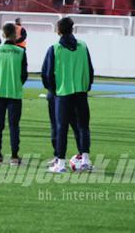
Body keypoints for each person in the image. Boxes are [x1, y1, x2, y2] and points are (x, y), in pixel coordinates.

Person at [41, 17, 94, 173]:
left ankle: (61, 163)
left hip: (63, 94)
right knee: (83, 126)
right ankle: (85, 160)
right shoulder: (83, 46)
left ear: (59, 30)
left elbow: (47, 74)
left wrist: (54, 90)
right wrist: (86, 86)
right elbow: (90, 70)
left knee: (61, 128)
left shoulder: (55, 48)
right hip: (80, 92)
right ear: (72, 29)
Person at [0, 23, 28, 165]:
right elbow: (24, 75)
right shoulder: (21, 51)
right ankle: (14, 156)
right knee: (14, 125)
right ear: (15, 35)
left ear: (3, 35)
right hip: (15, 93)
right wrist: (15, 83)